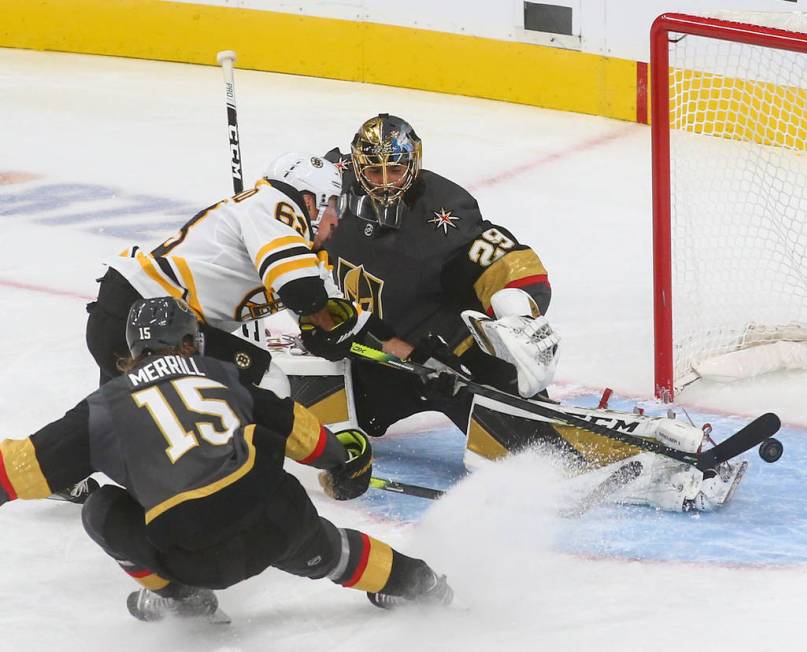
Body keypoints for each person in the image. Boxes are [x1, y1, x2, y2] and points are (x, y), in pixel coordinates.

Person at [0, 297, 453, 621]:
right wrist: (341, 461)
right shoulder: (222, 376)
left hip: (194, 555)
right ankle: (420, 583)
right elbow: (296, 426)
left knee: (101, 509)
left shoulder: (104, 407)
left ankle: (182, 597)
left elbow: (20, 469)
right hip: (278, 521)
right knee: (328, 550)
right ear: (190, 343)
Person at [69, 154, 376, 503]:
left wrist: (336, 329)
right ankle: (255, 493)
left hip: (128, 313)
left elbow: (325, 320)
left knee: (115, 418)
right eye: (334, 205)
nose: (339, 220)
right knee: (265, 382)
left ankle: (66, 469)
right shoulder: (274, 205)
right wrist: (336, 457)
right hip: (152, 318)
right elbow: (303, 293)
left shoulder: (293, 240)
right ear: (310, 201)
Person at [320, 114, 561, 438]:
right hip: (376, 357)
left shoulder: (442, 211)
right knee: (339, 418)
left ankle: (536, 430)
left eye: (395, 169)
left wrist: (519, 316)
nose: (386, 182)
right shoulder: (329, 186)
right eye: (375, 171)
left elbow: (504, 261)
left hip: (449, 360)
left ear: (413, 164)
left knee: (521, 431)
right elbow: (281, 215)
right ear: (358, 168)